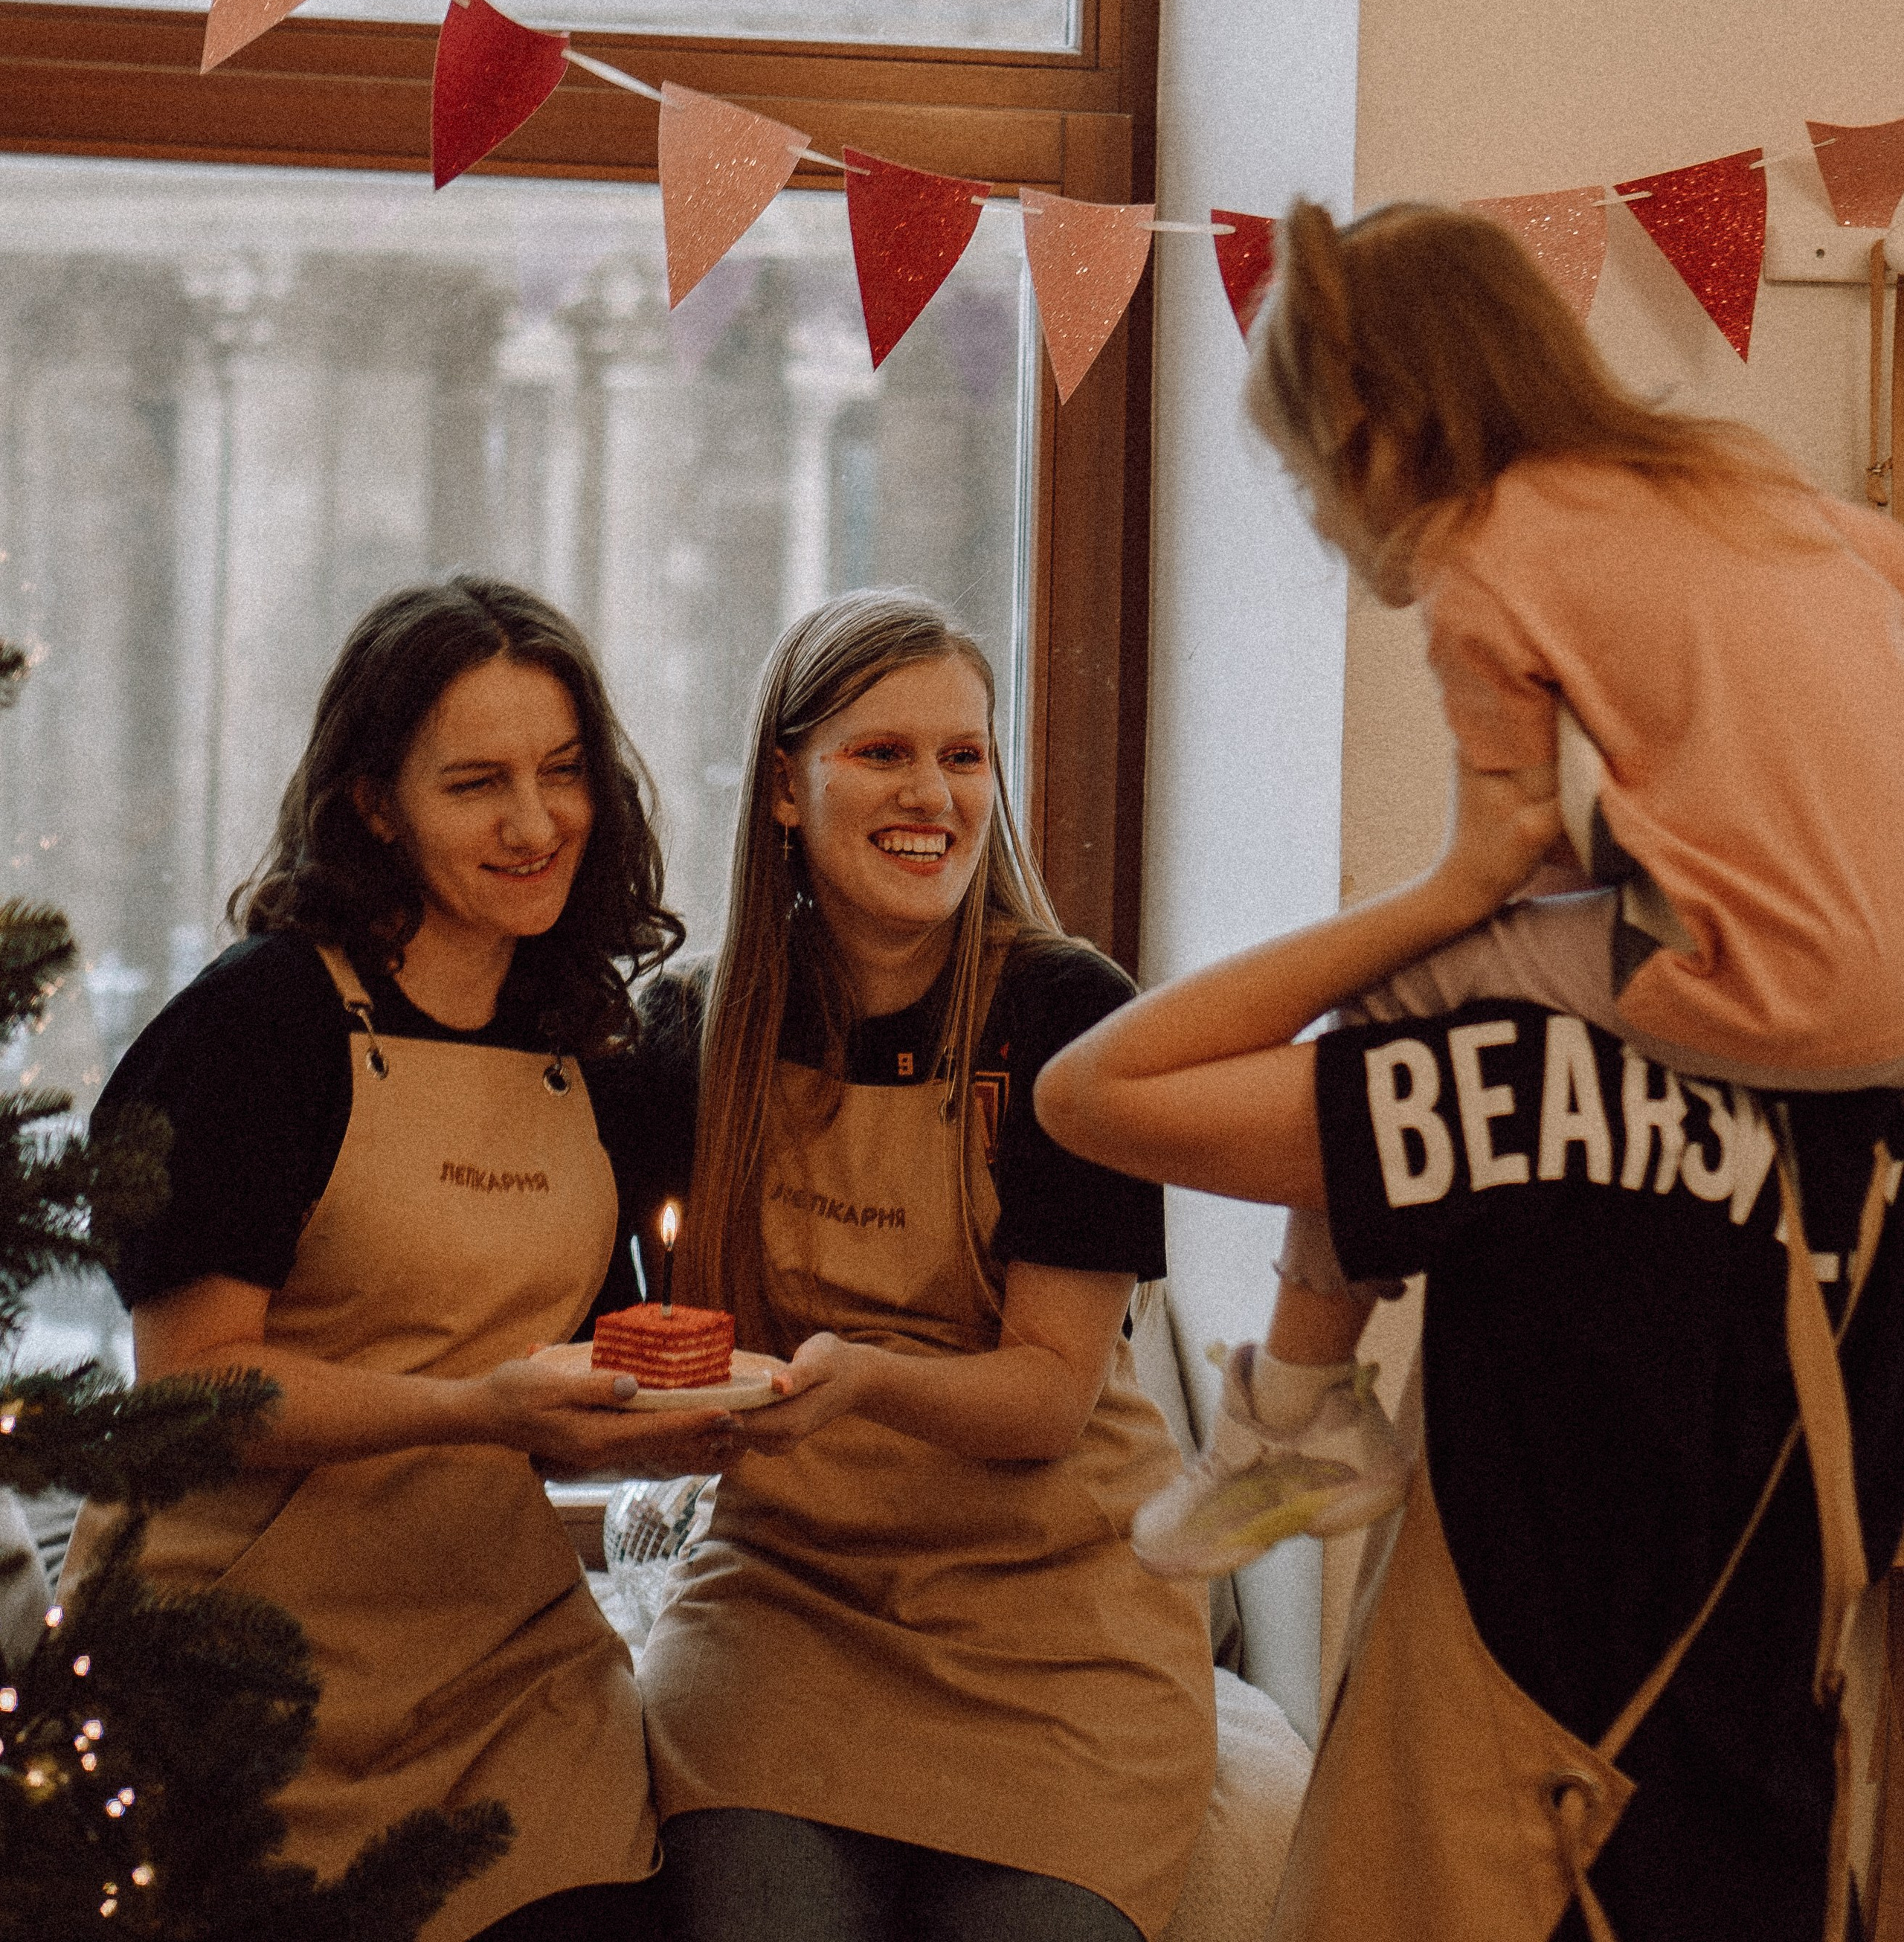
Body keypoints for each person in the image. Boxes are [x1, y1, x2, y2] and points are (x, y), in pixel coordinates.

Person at [1109, 194, 1904, 1586]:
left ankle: (1296, 1414)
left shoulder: (1483, 558)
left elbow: (1497, 856)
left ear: (1378, 435)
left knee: (1393, 990)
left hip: (1777, 989)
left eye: (1311, 474)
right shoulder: (1739, 477)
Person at [1033, 762, 1904, 1938]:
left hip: (1502, 1848)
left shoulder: (1538, 1082)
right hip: (1771, 1860)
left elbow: (1096, 1092)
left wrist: (1450, 893)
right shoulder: (1873, 1143)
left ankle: (1292, 1415)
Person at [65, 578, 730, 1942]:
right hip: (236, 1663)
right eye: (478, 782)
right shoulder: (260, 1026)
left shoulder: (587, 1047)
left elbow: (576, 1382)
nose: (537, 823)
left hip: (510, 1672)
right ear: (373, 800)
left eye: (563, 774)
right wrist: (476, 1410)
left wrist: (661, 1427)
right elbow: (192, 1390)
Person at [635, 590, 1216, 1942]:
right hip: (788, 1610)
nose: (934, 796)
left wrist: (855, 1380)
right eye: (883, 752)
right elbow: (637, 1338)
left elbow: (1048, 1400)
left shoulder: (1070, 1017)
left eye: (965, 755)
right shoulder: (684, 1036)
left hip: (1060, 1632)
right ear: (788, 784)